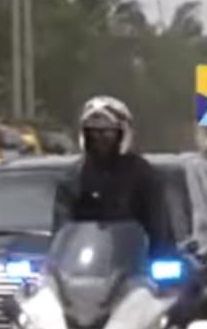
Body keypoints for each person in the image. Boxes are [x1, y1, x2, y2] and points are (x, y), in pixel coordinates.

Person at [69, 96, 173, 256]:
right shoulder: (75, 176)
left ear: (122, 133)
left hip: (135, 262)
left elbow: (158, 223)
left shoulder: (143, 174)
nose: (98, 138)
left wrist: (161, 254)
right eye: (92, 132)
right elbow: (62, 227)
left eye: (106, 132)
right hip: (86, 262)